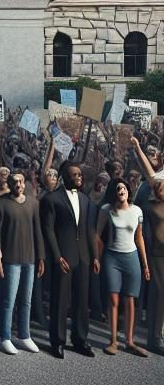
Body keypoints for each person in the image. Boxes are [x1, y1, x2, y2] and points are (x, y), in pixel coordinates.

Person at [40, 160, 98, 359]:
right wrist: (57, 256)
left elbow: (90, 230)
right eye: (74, 174)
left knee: (82, 300)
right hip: (63, 256)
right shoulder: (51, 199)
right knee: (60, 300)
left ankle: (80, 340)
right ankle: (57, 342)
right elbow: (48, 230)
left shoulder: (86, 199)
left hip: (83, 256)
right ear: (65, 177)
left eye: (80, 174)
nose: (79, 177)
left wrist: (95, 256)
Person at [0, 171, 44, 354]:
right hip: (11, 259)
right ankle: (5, 337)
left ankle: (24, 335)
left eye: (21, 181)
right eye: (15, 181)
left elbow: (38, 231)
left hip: (30, 258)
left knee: (26, 300)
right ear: (10, 184)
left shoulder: (33, 203)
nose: (18, 184)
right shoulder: (1, 203)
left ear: (24, 183)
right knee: (9, 300)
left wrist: (41, 257)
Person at [96, 178, 151, 356]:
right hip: (112, 257)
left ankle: (129, 341)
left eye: (124, 188)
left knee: (130, 301)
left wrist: (145, 264)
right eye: (118, 188)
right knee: (113, 300)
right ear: (114, 192)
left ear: (128, 191)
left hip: (132, 258)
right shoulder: (106, 210)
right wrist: (96, 258)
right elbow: (97, 235)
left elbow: (139, 237)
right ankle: (113, 341)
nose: (121, 190)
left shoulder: (137, 211)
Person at [132, 138, 164, 354]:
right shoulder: (152, 205)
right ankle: (154, 338)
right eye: (159, 187)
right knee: (159, 294)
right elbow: (150, 173)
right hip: (157, 254)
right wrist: (137, 148)